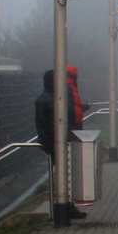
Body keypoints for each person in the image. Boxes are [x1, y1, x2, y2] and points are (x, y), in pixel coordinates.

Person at [34, 68, 87, 220]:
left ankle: (66, 206)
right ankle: (64, 207)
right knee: (66, 175)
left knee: (64, 174)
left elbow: (41, 123)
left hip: (55, 141)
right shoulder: (55, 99)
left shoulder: (44, 98)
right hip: (60, 141)